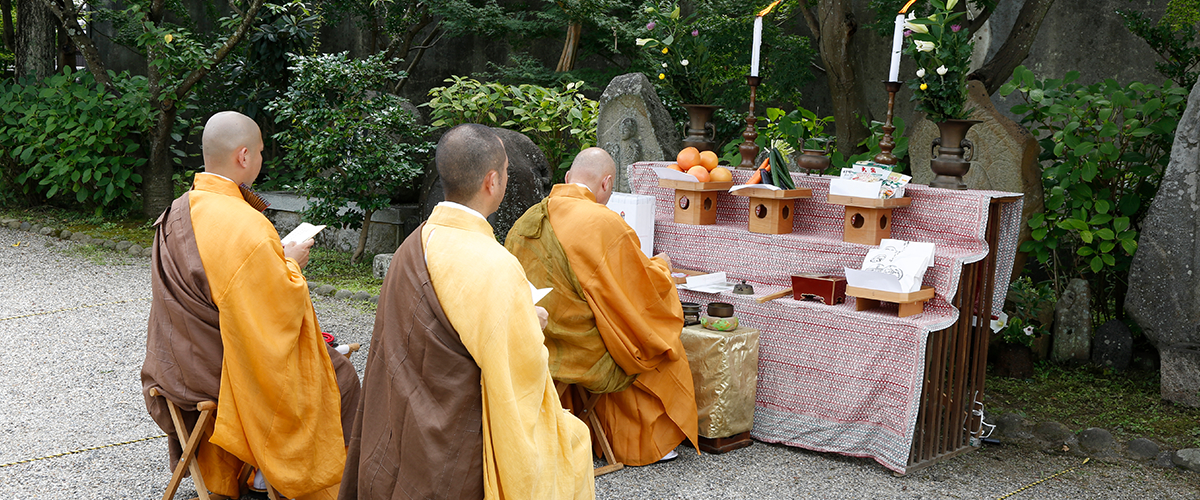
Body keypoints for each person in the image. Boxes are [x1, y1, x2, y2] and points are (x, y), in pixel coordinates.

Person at [340, 124, 593, 499]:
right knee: (575, 442)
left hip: (400, 424)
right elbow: (521, 376)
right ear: (492, 181)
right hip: (459, 440)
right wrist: (531, 323)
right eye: (506, 170)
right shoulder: (493, 264)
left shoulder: (414, 244)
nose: (506, 178)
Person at [141, 111, 360, 500]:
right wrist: (289, 262)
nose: (261, 159)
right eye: (260, 152)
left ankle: (258, 471)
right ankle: (280, 475)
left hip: (175, 366)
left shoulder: (179, 209)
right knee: (339, 375)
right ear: (243, 156)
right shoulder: (246, 225)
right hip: (218, 371)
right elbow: (274, 313)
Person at [504, 147, 699, 466]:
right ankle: (650, 443)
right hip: (579, 347)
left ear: (568, 178)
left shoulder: (528, 218)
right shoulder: (602, 221)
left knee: (612, 321)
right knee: (650, 343)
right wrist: (662, 267)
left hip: (535, 335)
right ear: (607, 184)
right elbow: (640, 291)